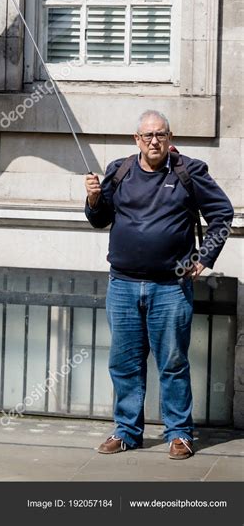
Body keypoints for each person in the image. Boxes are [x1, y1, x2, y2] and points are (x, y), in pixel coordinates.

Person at [84, 110, 234, 460]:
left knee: (172, 363)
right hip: (122, 285)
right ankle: (126, 432)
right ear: (136, 139)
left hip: (170, 286)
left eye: (160, 135)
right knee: (124, 364)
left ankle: (179, 434)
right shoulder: (118, 171)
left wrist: (204, 257)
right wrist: (92, 199)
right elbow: (100, 218)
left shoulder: (188, 171)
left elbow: (222, 214)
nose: (154, 141)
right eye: (147, 136)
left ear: (170, 138)